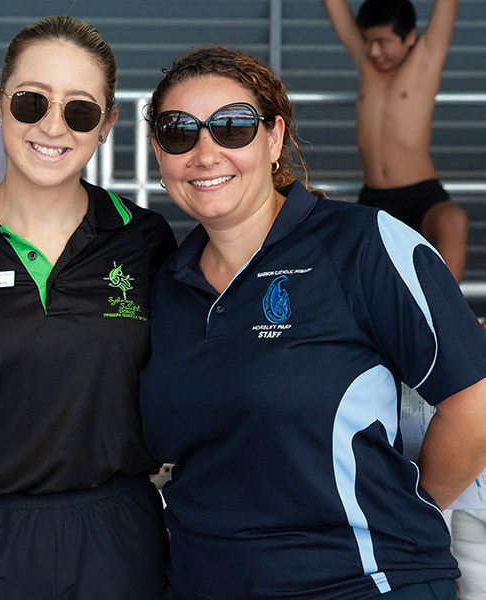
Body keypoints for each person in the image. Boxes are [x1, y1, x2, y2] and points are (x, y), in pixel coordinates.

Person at [139, 45, 486, 600]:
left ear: (274, 137)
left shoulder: (362, 244)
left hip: (361, 582)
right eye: (179, 132)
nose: (205, 153)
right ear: (160, 150)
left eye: (232, 127)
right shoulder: (166, 285)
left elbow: (474, 402)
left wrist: (411, 506)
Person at [0, 15, 176, 600]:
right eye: (32, 102)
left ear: (106, 125)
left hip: (119, 535)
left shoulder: (147, 241)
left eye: (79, 109)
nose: (53, 126)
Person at [322, 0, 467, 283]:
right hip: (374, 199)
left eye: (384, 41)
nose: (374, 50)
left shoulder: (426, 58)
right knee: (338, 240)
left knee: (453, 220)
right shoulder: (366, 61)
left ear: (410, 36)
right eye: (367, 40)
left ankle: (445, 322)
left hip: (422, 197)